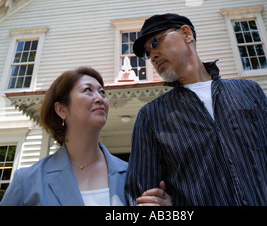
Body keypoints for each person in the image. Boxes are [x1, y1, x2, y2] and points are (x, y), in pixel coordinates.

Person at [125, 13, 267, 206]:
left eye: (155, 42)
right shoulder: (151, 117)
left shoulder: (250, 92)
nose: (152, 56)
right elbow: (141, 197)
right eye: (147, 53)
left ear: (186, 34)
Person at [1, 66, 171, 206]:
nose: (100, 98)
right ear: (61, 110)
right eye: (88, 90)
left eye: (102, 92)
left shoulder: (134, 176)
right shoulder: (26, 181)